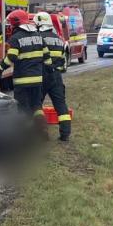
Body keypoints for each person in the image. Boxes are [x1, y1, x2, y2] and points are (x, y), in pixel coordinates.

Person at [0, 9, 47, 132]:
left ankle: (27, 134)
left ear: (15, 23)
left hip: (22, 81)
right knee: (37, 105)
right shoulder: (38, 36)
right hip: (37, 79)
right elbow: (46, 56)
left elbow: (11, 58)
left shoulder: (15, 38)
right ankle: (42, 129)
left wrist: (0, 69)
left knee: (23, 108)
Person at [35, 11, 71, 142]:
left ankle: (41, 132)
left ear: (39, 24)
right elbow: (62, 60)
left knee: (36, 103)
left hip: (42, 74)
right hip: (56, 76)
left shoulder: (38, 38)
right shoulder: (59, 40)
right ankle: (65, 134)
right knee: (60, 105)